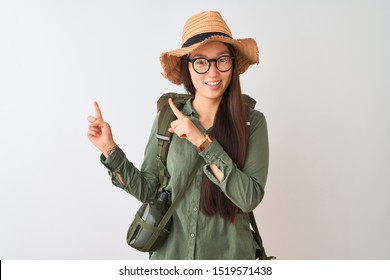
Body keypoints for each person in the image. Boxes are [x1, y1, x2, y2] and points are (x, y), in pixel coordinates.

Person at [87, 11, 269, 260]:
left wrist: (202, 142)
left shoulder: (251, 123)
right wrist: (109, 149)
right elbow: (150, 191)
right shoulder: (167, 118)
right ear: (188, 67)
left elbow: (248, 199)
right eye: (201, 62)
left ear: (233, 64)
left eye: (222, 60)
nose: (213, 73)